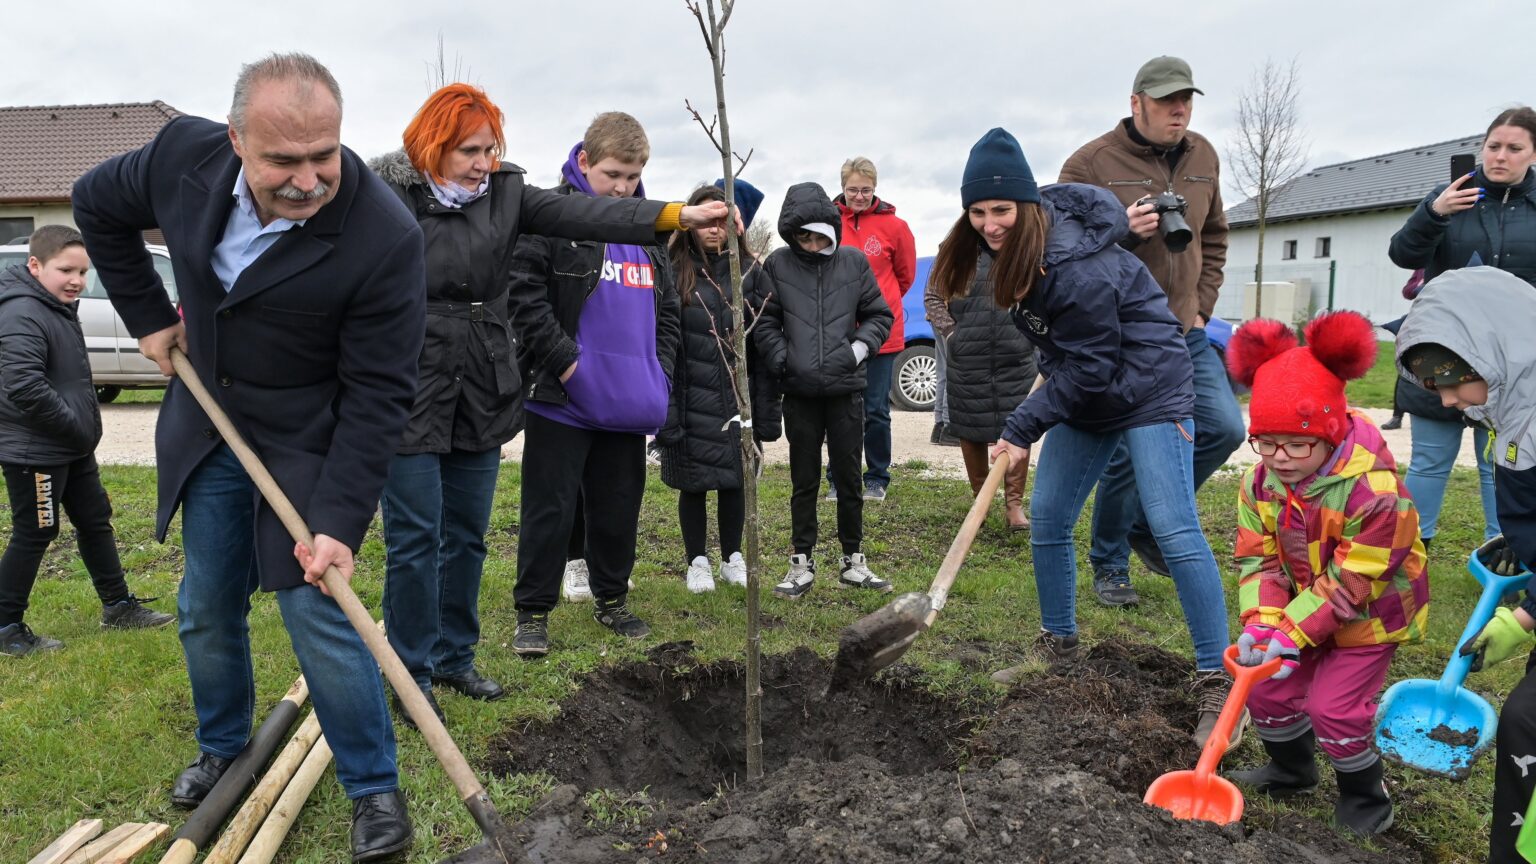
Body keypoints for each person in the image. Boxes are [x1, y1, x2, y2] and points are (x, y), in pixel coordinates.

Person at [72, 54, 426, 862]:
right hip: (209, 417)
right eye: (283, 161)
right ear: (235, 140)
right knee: (205, 601)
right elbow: (96, 203)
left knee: (318, 607)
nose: (308, 181)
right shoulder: (179, 159)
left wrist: (337, 521)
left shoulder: (383, 238)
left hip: (310, 436)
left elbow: (379, 396)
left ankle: (373, 787)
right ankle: (225, 744)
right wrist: (147, 315)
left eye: (323, 156)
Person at [366, 88, 728, 718]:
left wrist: (677, 216)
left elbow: (589, 218)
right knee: (418, 536)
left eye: (490, 150)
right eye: (469, 151)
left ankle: (456, 658)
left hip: (480, 384)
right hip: (413, 381)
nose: (484, 163)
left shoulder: (508, 196)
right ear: (432, 146)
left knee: (469, 535)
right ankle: (411, 671)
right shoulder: (387, 199)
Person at [951, 129, 1234, 749]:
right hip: (1090, 384)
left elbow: (1092, 362)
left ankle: (1217, 677)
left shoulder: (1074, 263)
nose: (990, 223)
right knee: (1049, 517)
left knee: (1172, 524)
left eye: (1001, 209)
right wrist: (1047, 389)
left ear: (1026, 205)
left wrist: (1023, 426)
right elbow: (1076, 357)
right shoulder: (1021, 248)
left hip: (1152, 387)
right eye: (978, 211)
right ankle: (1059, 644)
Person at [1222, 310, 1427, 837]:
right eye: (1265, 442)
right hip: (1304, 605)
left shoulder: (1376, 494)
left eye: (1296, 444)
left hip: (1369, 614)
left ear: (1331, 435)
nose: (1279, 458)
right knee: (1264, 687)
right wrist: (1264, 624)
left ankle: (1366, 797)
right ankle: (1293, 771)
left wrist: (1288, 633)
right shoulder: (1261, 483)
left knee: (1334, 707)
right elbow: (1257, 558)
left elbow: (1354, 584)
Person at [1058, 55, 1242, 608]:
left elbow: (1214, 236)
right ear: (1136, 103)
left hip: (1182, 329)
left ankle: (1140, 525)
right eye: (1165, 101)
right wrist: (1124, 231)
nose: (1178, 110)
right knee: (1124, 449)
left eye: (1185, 99)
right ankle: (1110, 561)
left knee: (1224, 427)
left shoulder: (1204, 155)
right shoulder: (1088, 163)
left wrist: (1204, 307)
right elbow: (1061, 255)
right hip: (1115, 336)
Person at [505, 112, 681, 657]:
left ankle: (612, 598)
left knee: (618, 503)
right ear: (583, 162)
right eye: (612, 174)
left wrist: (661, 372)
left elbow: (668, 312)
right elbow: (524, 297)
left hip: (627, 398)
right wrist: (568, 366)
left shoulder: (651, 234)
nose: (623, 188)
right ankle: (533, 612)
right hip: (563, 398)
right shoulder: (550, 219)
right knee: (549, 506)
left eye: (633, 176)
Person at [1392, 266, 1536, 862]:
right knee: (1524, 724)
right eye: (1434, 388)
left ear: (1500, 356)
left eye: (1454, 384)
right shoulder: (1515, 415)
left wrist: (1523, 619)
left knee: (1530, 722)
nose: (1448, 400)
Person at [0, 225, 175, 657]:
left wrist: (78, 435)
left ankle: (117, 606)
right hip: (35, 448)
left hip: (69, 445)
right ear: (35, 265)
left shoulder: (55, 305)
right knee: (36, 530)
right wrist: (76, 428)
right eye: (67, 270)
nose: (77, 280)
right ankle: (5, 627)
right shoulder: (22, 311)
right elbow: (22, 384)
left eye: (83, 271)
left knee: (95, 521)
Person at [1387, 107, 1536, 549]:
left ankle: (1506, 547)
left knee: (1505, 462)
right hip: (1445, 351)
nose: (1500, 157)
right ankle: (1411, 548)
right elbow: (1401, 253)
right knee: (1431, 458)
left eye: (1514, 148)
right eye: (1493, 146)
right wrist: (1435, 213)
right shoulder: (1451, 196)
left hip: (1515, 362)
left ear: (1533, 154)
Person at [752, 181, 894, 599]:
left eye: (820, 235)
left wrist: (856, 351)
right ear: (792, 234)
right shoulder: (776, 266)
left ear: (832, 230)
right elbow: (764, 320)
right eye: (804, 236)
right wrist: (784, 359)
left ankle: (853, 560)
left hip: (846, 389)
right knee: (804, 479)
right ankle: (801, 562)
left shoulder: (853, 264)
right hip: (798, 393)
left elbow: (878, 315)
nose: (813, 244)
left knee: (849, 477)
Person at [656, 184, 780, 592]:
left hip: (733, 398)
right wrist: (666, 409)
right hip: (690, 395)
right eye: (706, 220)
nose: (714, 230)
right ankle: (697, 561)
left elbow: (762, 347)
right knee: (693, 484)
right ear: (690, 221)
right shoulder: (673, 271)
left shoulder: (748, 274)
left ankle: (732, 556)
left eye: (723, 222)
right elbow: (664, 343)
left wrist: (762, 413)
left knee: (734, 481)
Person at [926, 249, 1036, 531]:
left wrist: (1030, 336)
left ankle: (1014, 505)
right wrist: (952, 336)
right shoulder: (955, 249)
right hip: (968, 357)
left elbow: (1042, 290)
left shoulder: (1023, 246)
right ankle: (981, 503)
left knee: (1018, 427)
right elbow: (934, 297)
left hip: (1015, 356)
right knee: (970, 424)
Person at [831, 157, 916, 502]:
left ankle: (877, 477)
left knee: (876, 409)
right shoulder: (829, 221)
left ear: (875, 189)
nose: (860, 196)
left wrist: (876, 306)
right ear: (843, 188)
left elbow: (904, 277)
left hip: (881, 333)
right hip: (838, 330)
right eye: (853, 189)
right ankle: (838, 478)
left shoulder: (895, 227)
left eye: (866, 190)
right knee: (837, 408)